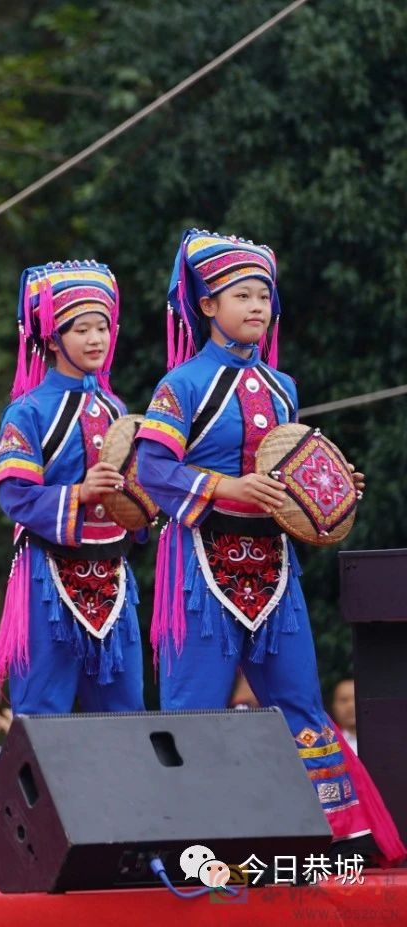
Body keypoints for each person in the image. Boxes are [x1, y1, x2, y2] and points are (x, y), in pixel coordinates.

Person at [137, 229, 403, 864]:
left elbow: (291, 470)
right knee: (192, 704)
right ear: (206, 304)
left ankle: (342, 835)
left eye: (264, 295)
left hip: (275, 567)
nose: (258, 306)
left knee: (299, 700)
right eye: (241, 295)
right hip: (201, 563)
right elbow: (151, 469)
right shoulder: (183, 385)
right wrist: (229, 485)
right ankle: (185, 837)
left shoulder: (282, 385)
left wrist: (330, 488)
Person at [0, 262, 145, 715]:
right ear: (52, 339)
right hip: (45, 577)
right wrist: (79, 493)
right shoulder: (26, 412)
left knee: (124, 714)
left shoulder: (116, 408)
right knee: (41, 715)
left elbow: (134, 498)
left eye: (103, 327)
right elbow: (14, 494)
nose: (96, 339)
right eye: (81, 329)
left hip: (112, 575)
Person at [331, 679, 356, 754]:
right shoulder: (327, 742)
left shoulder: (383, 738)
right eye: (344, 700)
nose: (350, 706)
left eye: (355, 699)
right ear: (334, 706)